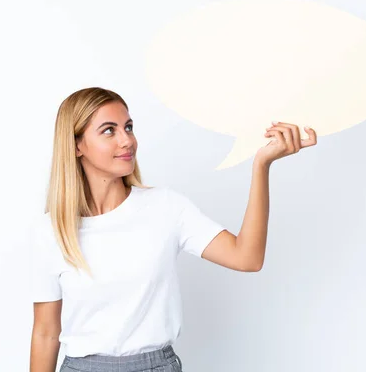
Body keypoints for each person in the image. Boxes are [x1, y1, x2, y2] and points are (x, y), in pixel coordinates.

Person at [28, 87, 317, 372]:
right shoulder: (53, 230)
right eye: (109, 130)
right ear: (76, 145)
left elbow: (247, 258)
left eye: (128, 127)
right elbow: (45, 333)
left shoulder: (165, 208)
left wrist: (261, 166)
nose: (126, 140)